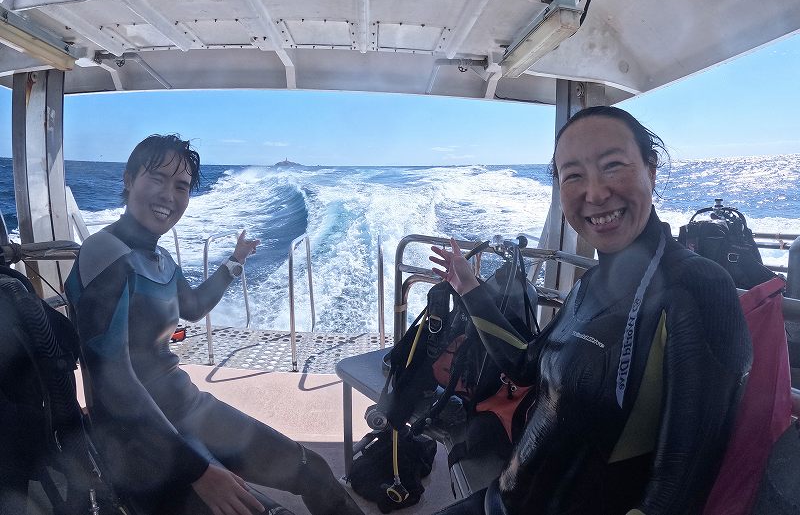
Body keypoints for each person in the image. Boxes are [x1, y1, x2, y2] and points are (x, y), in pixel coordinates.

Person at [429, 106, 753, 515]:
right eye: (574, 175)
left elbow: (676, 492)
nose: (595, 193)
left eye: (613, 165)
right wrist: (469, 288)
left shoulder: (697, 289)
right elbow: (524, 366)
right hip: (500, 501)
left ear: (650, 171)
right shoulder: (590, 284)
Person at [66, 135, 365, 515]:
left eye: (182, 186)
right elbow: (115, 382)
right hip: (138, 443)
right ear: (128, 180)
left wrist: (234, 261)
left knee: (315, 471)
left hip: (191, 409)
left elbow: (192, 307)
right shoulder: (105, 252)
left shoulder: (159, 258)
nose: (169, 195)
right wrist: (197, 470)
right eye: (157, 178)